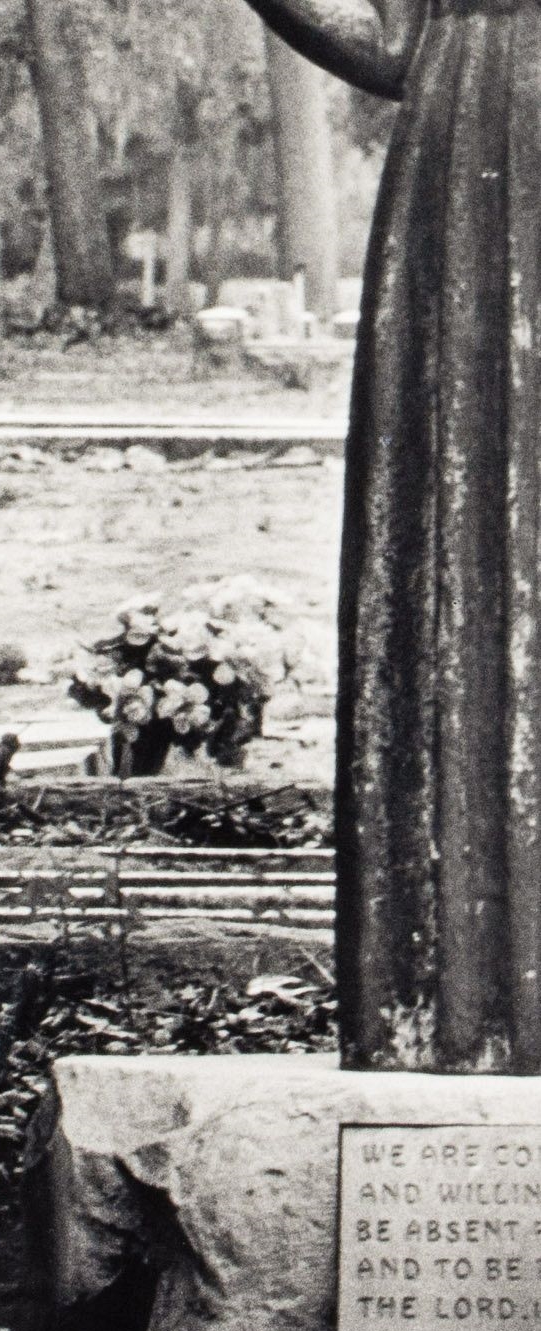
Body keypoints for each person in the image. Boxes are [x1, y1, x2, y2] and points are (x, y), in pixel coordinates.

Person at [242, 1, 541, 1072]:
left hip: (475, 113)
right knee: (454, 535)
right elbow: (385, 41)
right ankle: (447, 1011)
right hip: (467, 140)